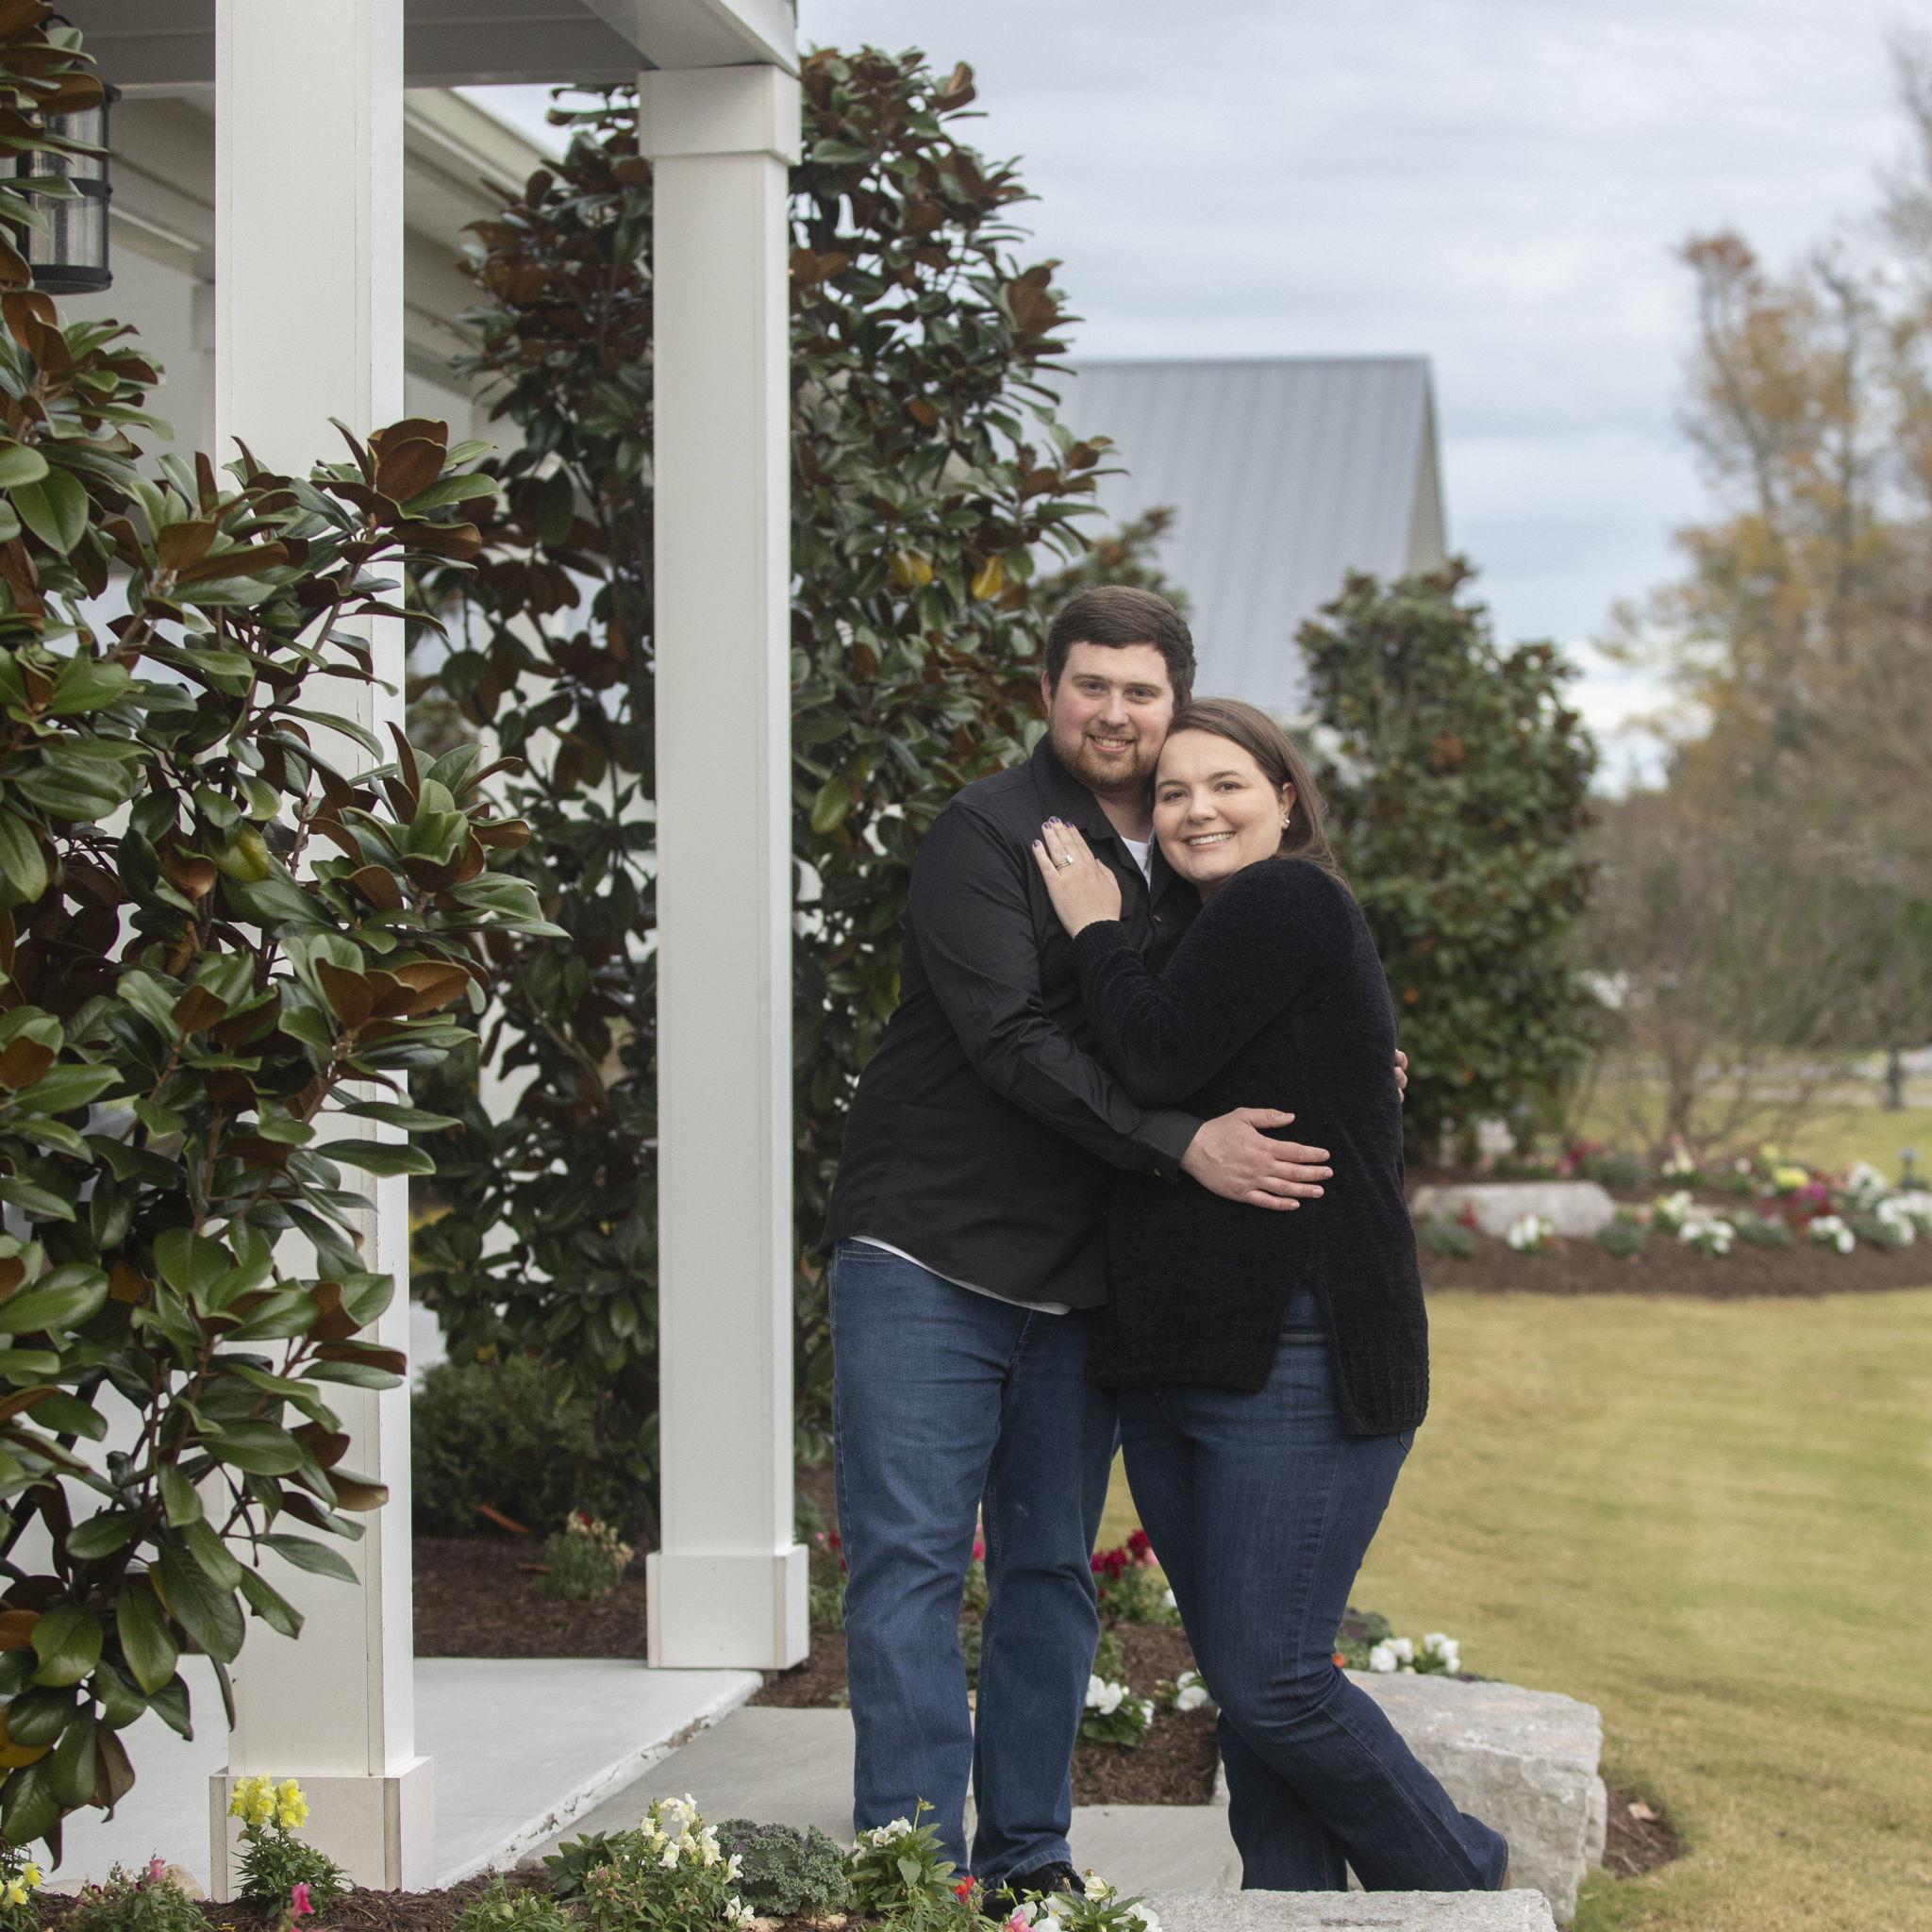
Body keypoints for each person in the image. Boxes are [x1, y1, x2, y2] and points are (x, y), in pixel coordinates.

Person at [822, 588, 1387, 1892]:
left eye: (1141, 690)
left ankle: (1029, 1863)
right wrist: (1182, 1144)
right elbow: (1015, 1041)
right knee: (909, 1567)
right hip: (929, 1251)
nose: (1116, 713)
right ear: (1048, 693)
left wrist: (1359, 1061)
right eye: (1092, 685)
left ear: (1174, 699)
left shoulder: (1196, 856)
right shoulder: (989, 833)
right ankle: (912, 1881)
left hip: (1085, 1281)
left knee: (1047, 1572)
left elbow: (1233, 1015)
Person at [1030, 696, 1507, 1893]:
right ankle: (1288, 1909)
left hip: (1300, 1347)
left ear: (1284, 799)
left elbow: (1149, 1054)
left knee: (1274, 1679)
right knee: (1247, 1694)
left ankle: (1464, 1883)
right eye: (1171, 793)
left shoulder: (1284, 898)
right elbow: (1170, 1069)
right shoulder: (1200, 934)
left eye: (1225, 784)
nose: (1195, 809)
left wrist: (1091, 927)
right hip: (1176, 1355)